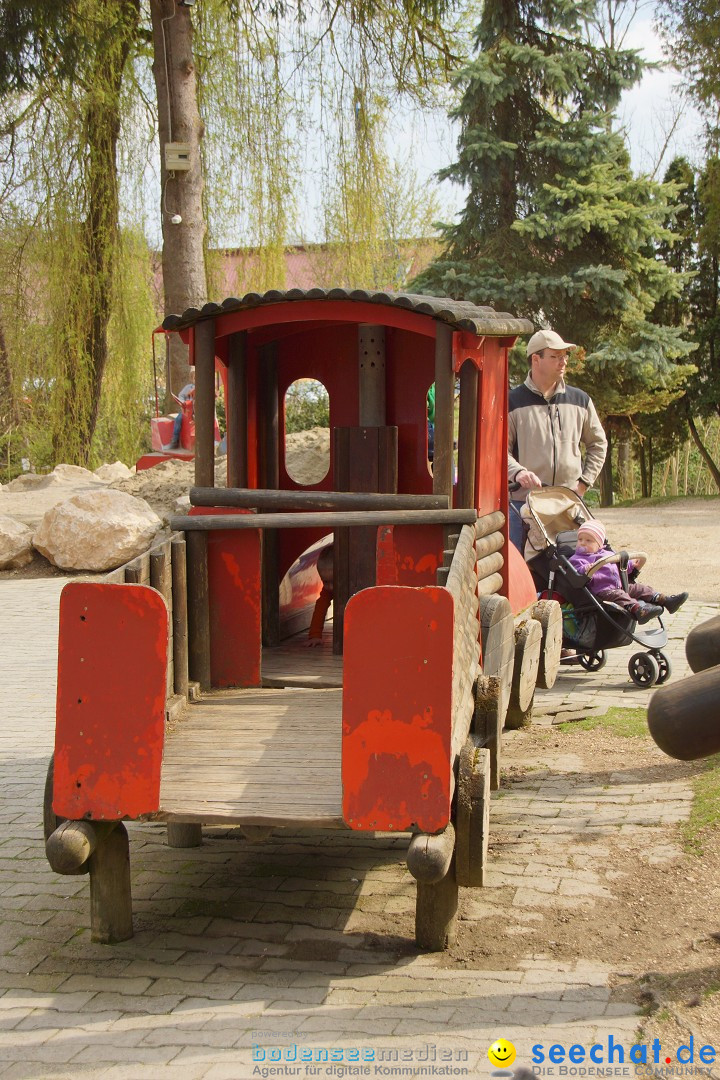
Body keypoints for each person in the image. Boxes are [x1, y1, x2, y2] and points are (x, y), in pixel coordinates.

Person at [508, 330, 607, 552]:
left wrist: (583, 483)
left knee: (573, 571)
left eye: (565, 356)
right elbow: (498, 451)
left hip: (569, 506)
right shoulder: (512, 402)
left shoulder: (580, 399)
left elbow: (598, 444)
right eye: (555, 356)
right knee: (523, 577)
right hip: (524, 507)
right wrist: (518, 472)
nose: (563, 361)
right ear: (536, 359)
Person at [568, 520, 688, 624]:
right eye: (580, 539)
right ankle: (638, 610)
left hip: (620, 585)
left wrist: (632, 565)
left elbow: (620, 566)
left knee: (640, 588)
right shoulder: (577, 559)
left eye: (589, 541)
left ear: (599, 544)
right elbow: (575, 572)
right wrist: (585, 569)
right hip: (602, 591)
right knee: (620, 596)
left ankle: (666, 600)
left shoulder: (607, 553)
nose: (583, 543)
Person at [307, 544, 333, 646]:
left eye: (334, 581)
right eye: (325, 581)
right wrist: (315, 636)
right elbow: (320, 609)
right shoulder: (327, 591)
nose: (330, 587)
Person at [165, 372, 195, 450]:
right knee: (179, 419)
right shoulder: (189, 387)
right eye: (194, 378)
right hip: (188, 410)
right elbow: (181, 395)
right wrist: (184, 402)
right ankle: (175, 441)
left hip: (200, 411)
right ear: (192, 379)